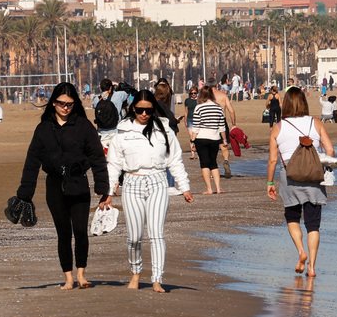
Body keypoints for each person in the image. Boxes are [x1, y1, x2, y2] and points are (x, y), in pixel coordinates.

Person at [14, 82, 111, 290]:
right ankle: (68, 277)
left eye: (69, 104)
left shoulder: (84, 127)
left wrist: (103, 189)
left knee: (80, 231)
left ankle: (82, 274)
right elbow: (32, 162)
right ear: (53, 103)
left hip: (79, 184)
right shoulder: (43, 129)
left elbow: (97, 158)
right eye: (61, 104)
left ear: (74, 104)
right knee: (64, 233)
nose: (65, 108)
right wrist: (25, 194)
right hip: (55, 185)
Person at [105, 91, 193, 293]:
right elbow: (114, 164)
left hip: (158, 182)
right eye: (140, 110)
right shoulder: (122, 131)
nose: (144, 114)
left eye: (148, 110)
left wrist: (184, 186)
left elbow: (175, 160)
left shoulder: (164, 131)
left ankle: (156, 279)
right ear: (133, 109)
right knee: (134, 236)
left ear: (154, 109)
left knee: (156, 233)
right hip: (132, 183)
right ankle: (135, 273)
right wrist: (109, 191)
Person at [265, 87, 337, 278]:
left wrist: (269, 183)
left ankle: (300, 252)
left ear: (285, 104)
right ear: (304, 102)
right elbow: (330, 150)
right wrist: (323, 164)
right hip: (314, 175)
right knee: (313, 225)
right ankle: (312, 267)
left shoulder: (278, 127)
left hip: (290, 175)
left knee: (292, 217)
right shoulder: (316, 122)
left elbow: (272, 160)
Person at [189, 86, 228, 194]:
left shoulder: (199, 107)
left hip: (201, 138)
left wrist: (192, 140)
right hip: (215, 138)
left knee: (204, 163)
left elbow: (196, 126)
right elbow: (222, 126)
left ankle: (209, 189)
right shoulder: (218, 107)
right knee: (213, 163)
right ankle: (218, 188)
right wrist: (224, 140)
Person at [209, 82, 238, 177]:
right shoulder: (222, 95)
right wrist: (234, 124)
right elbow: (231, 110)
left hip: (210, 122)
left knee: (211, 147)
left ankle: (212, 170)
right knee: (224, 146)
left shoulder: (206, 96)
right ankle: (226, 161)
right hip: (222, 121)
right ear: (216, 86)